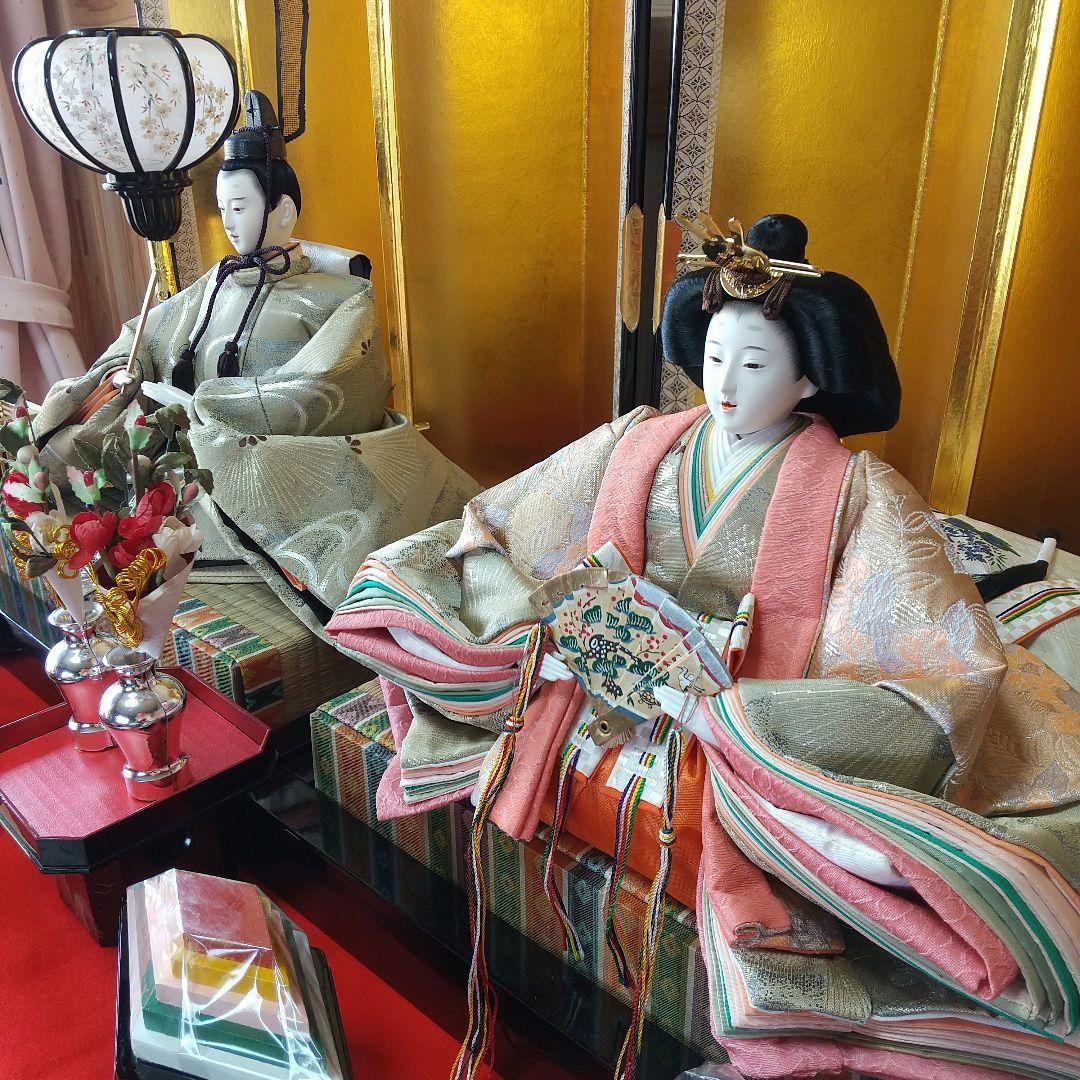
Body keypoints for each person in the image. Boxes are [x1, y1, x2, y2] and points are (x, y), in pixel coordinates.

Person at [327, 214, 1080, 1079]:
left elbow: (934, 658)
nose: (724, 383)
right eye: (716, 357)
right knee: (439, 621)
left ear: (809, 378)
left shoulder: (857, 490)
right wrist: (546, 629)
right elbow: (502, 523)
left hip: (739, 707)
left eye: (755, 366)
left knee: (867, 850)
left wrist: (739, 713)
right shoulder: (641, 439)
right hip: (597, 690)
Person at [33, 91, 478, 633]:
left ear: (283, 210)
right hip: (189, 479)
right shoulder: (214, 285)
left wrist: (208, 404)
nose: (228, 223)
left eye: (240, 208)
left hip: (290, 479)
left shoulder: (340, 297)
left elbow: (327, 387)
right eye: (222, 210)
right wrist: (121, 373)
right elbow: (145, 336)